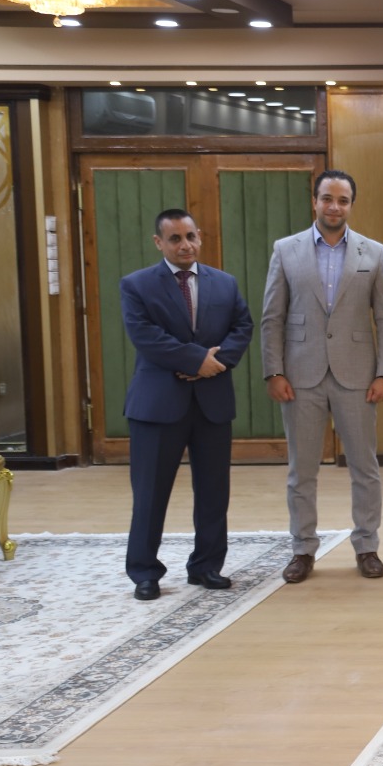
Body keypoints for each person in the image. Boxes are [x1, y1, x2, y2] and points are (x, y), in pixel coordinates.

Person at [261, 169, 383, 582]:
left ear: (351, 204)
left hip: (358, 375)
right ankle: (302, 549)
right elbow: (272, 317)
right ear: (315, 201)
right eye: (327, 198)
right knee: (302, 471)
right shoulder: (286, 250)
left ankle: (367, 546)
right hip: (300, 375)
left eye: (342, 200)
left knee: (365, 468)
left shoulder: (374, 253)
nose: (334, 207)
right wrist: (274, 370)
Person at [119, 209, 253, 601]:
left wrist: (216, 363)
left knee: (213, 492)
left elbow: (242, 327)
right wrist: (197, 361)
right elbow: (145, 336)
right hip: (157, 405)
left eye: (190, 236)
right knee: (150, 494)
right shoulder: (136, 285)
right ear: (158, 242)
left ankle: (206, 566)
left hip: (212, 403)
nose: (185, 245)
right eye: (175, 238)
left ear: (199, 236)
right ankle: (145, 572)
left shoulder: (224, 283)